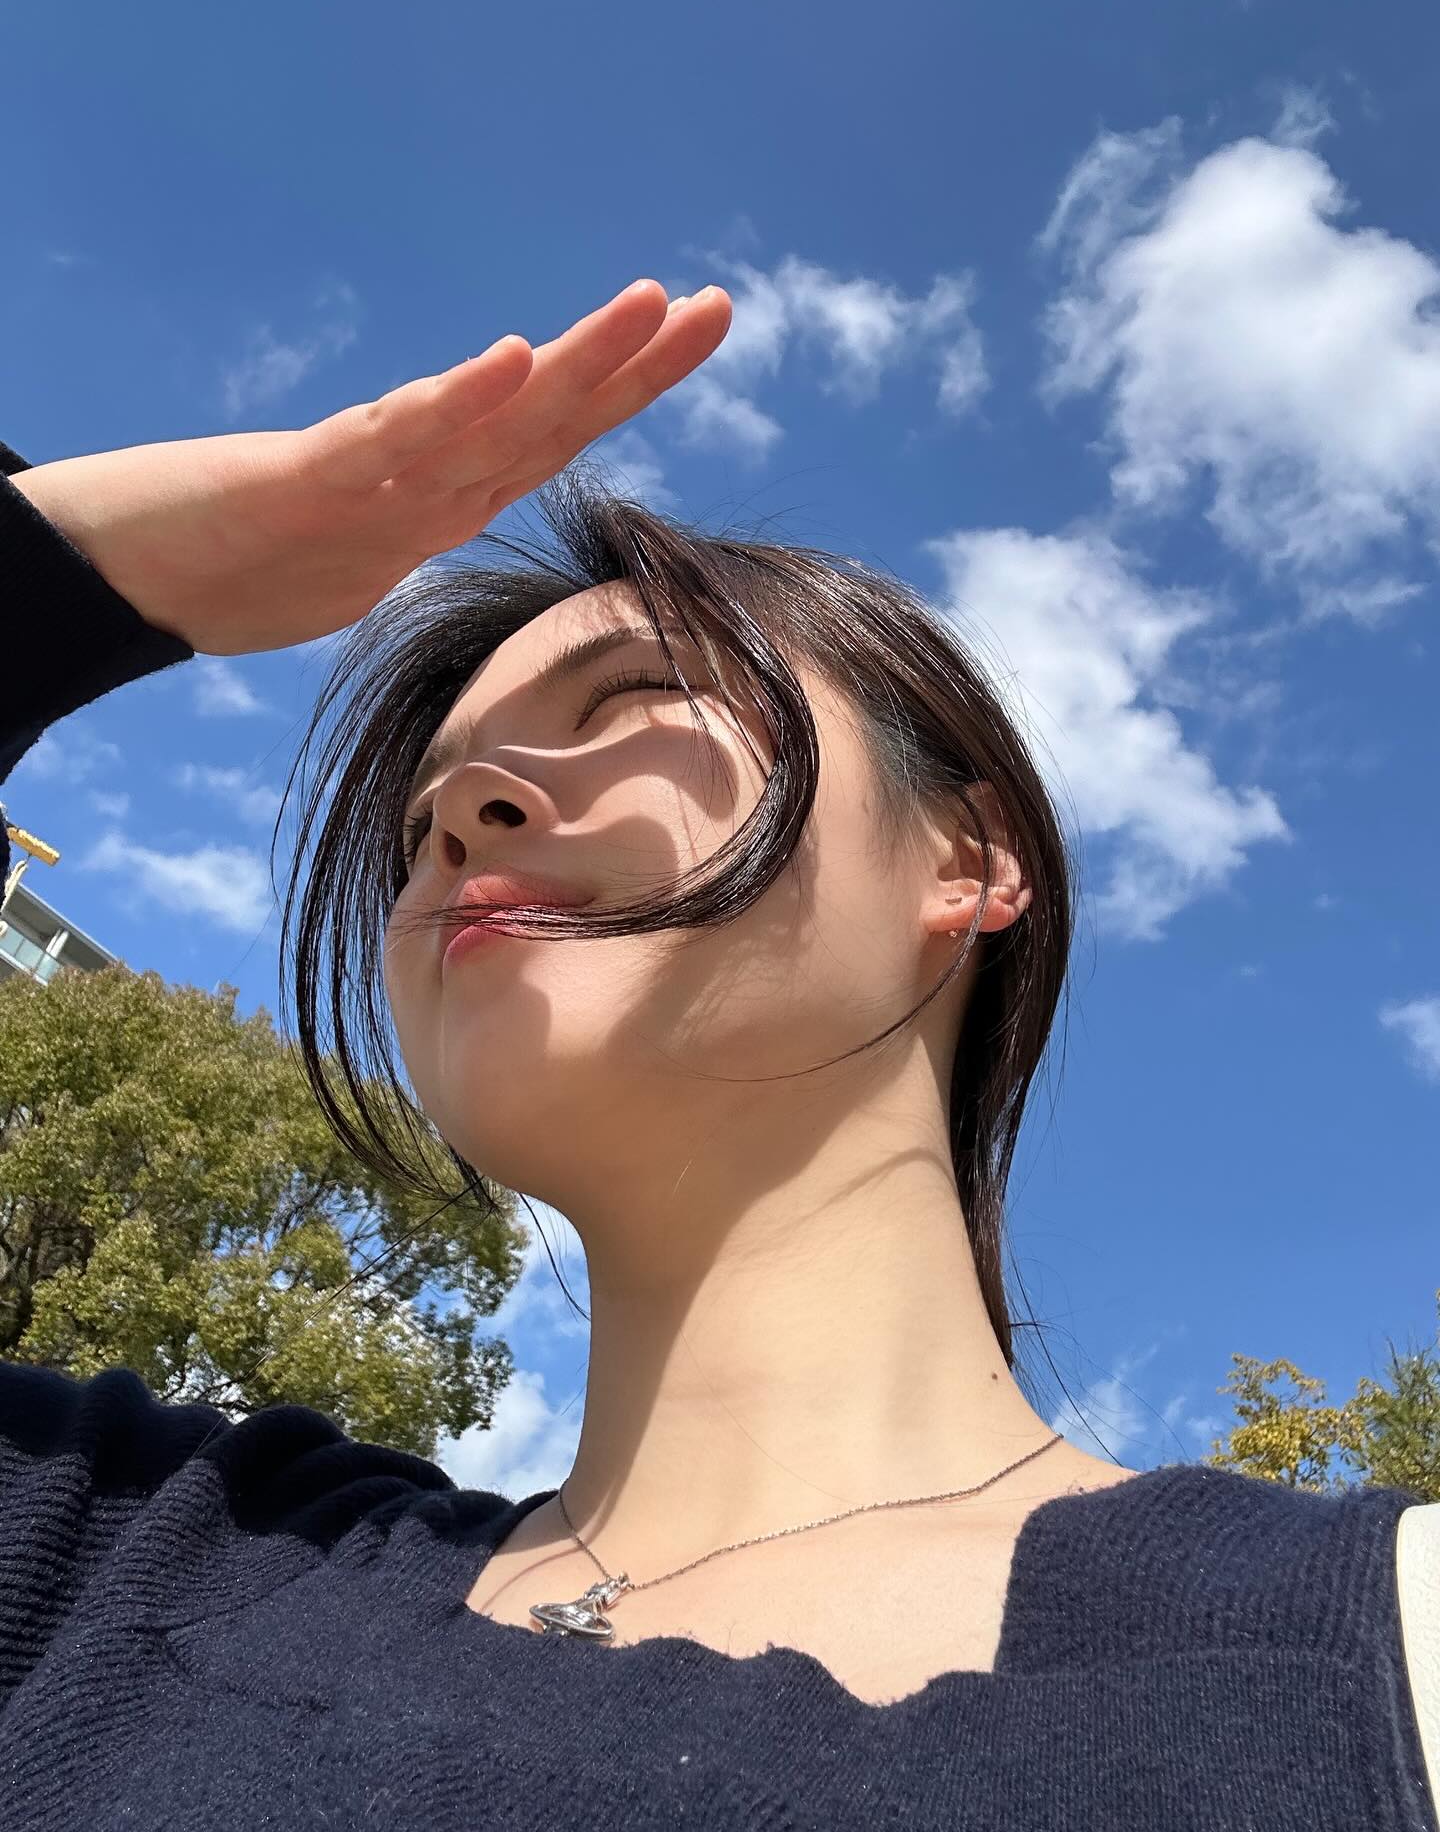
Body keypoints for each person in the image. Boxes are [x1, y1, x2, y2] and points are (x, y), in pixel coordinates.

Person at [0, 278, 1433, 1830]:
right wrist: (63, 575)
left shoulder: (1387, 1662)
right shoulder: (127, 1558)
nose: (464, 812)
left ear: (965, 859)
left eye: (632, 699)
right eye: (423, 817)